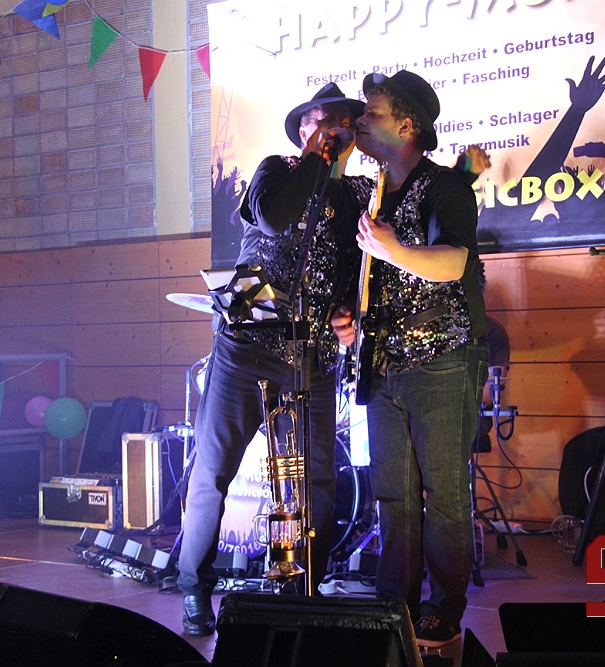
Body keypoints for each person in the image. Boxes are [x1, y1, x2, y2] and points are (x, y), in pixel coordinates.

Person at [178, 83, 372, 636]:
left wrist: (345, 312)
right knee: (213, 470)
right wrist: (315, 159)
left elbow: (353, 266)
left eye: (344, 123)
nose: (335, 130)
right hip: (246, 347)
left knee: (317, 480)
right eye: (323, 121)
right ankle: (194, 587)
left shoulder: (357, 194)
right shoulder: (275, 171)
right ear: (304, 129)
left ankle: (305, 586)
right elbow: (273, 219)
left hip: (309, 354)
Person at [332, 69, 488, 648]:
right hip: (383, 362)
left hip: (442, 359)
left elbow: (453, 263)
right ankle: (393, 601)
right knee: (393, 493)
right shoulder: (373, 193)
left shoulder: (444, 187)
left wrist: (393, 248)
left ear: (407, 126)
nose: (359, 121)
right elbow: (373, 280)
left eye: (371, 113)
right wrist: (348, 318)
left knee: (444, 493)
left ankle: (444, 608)